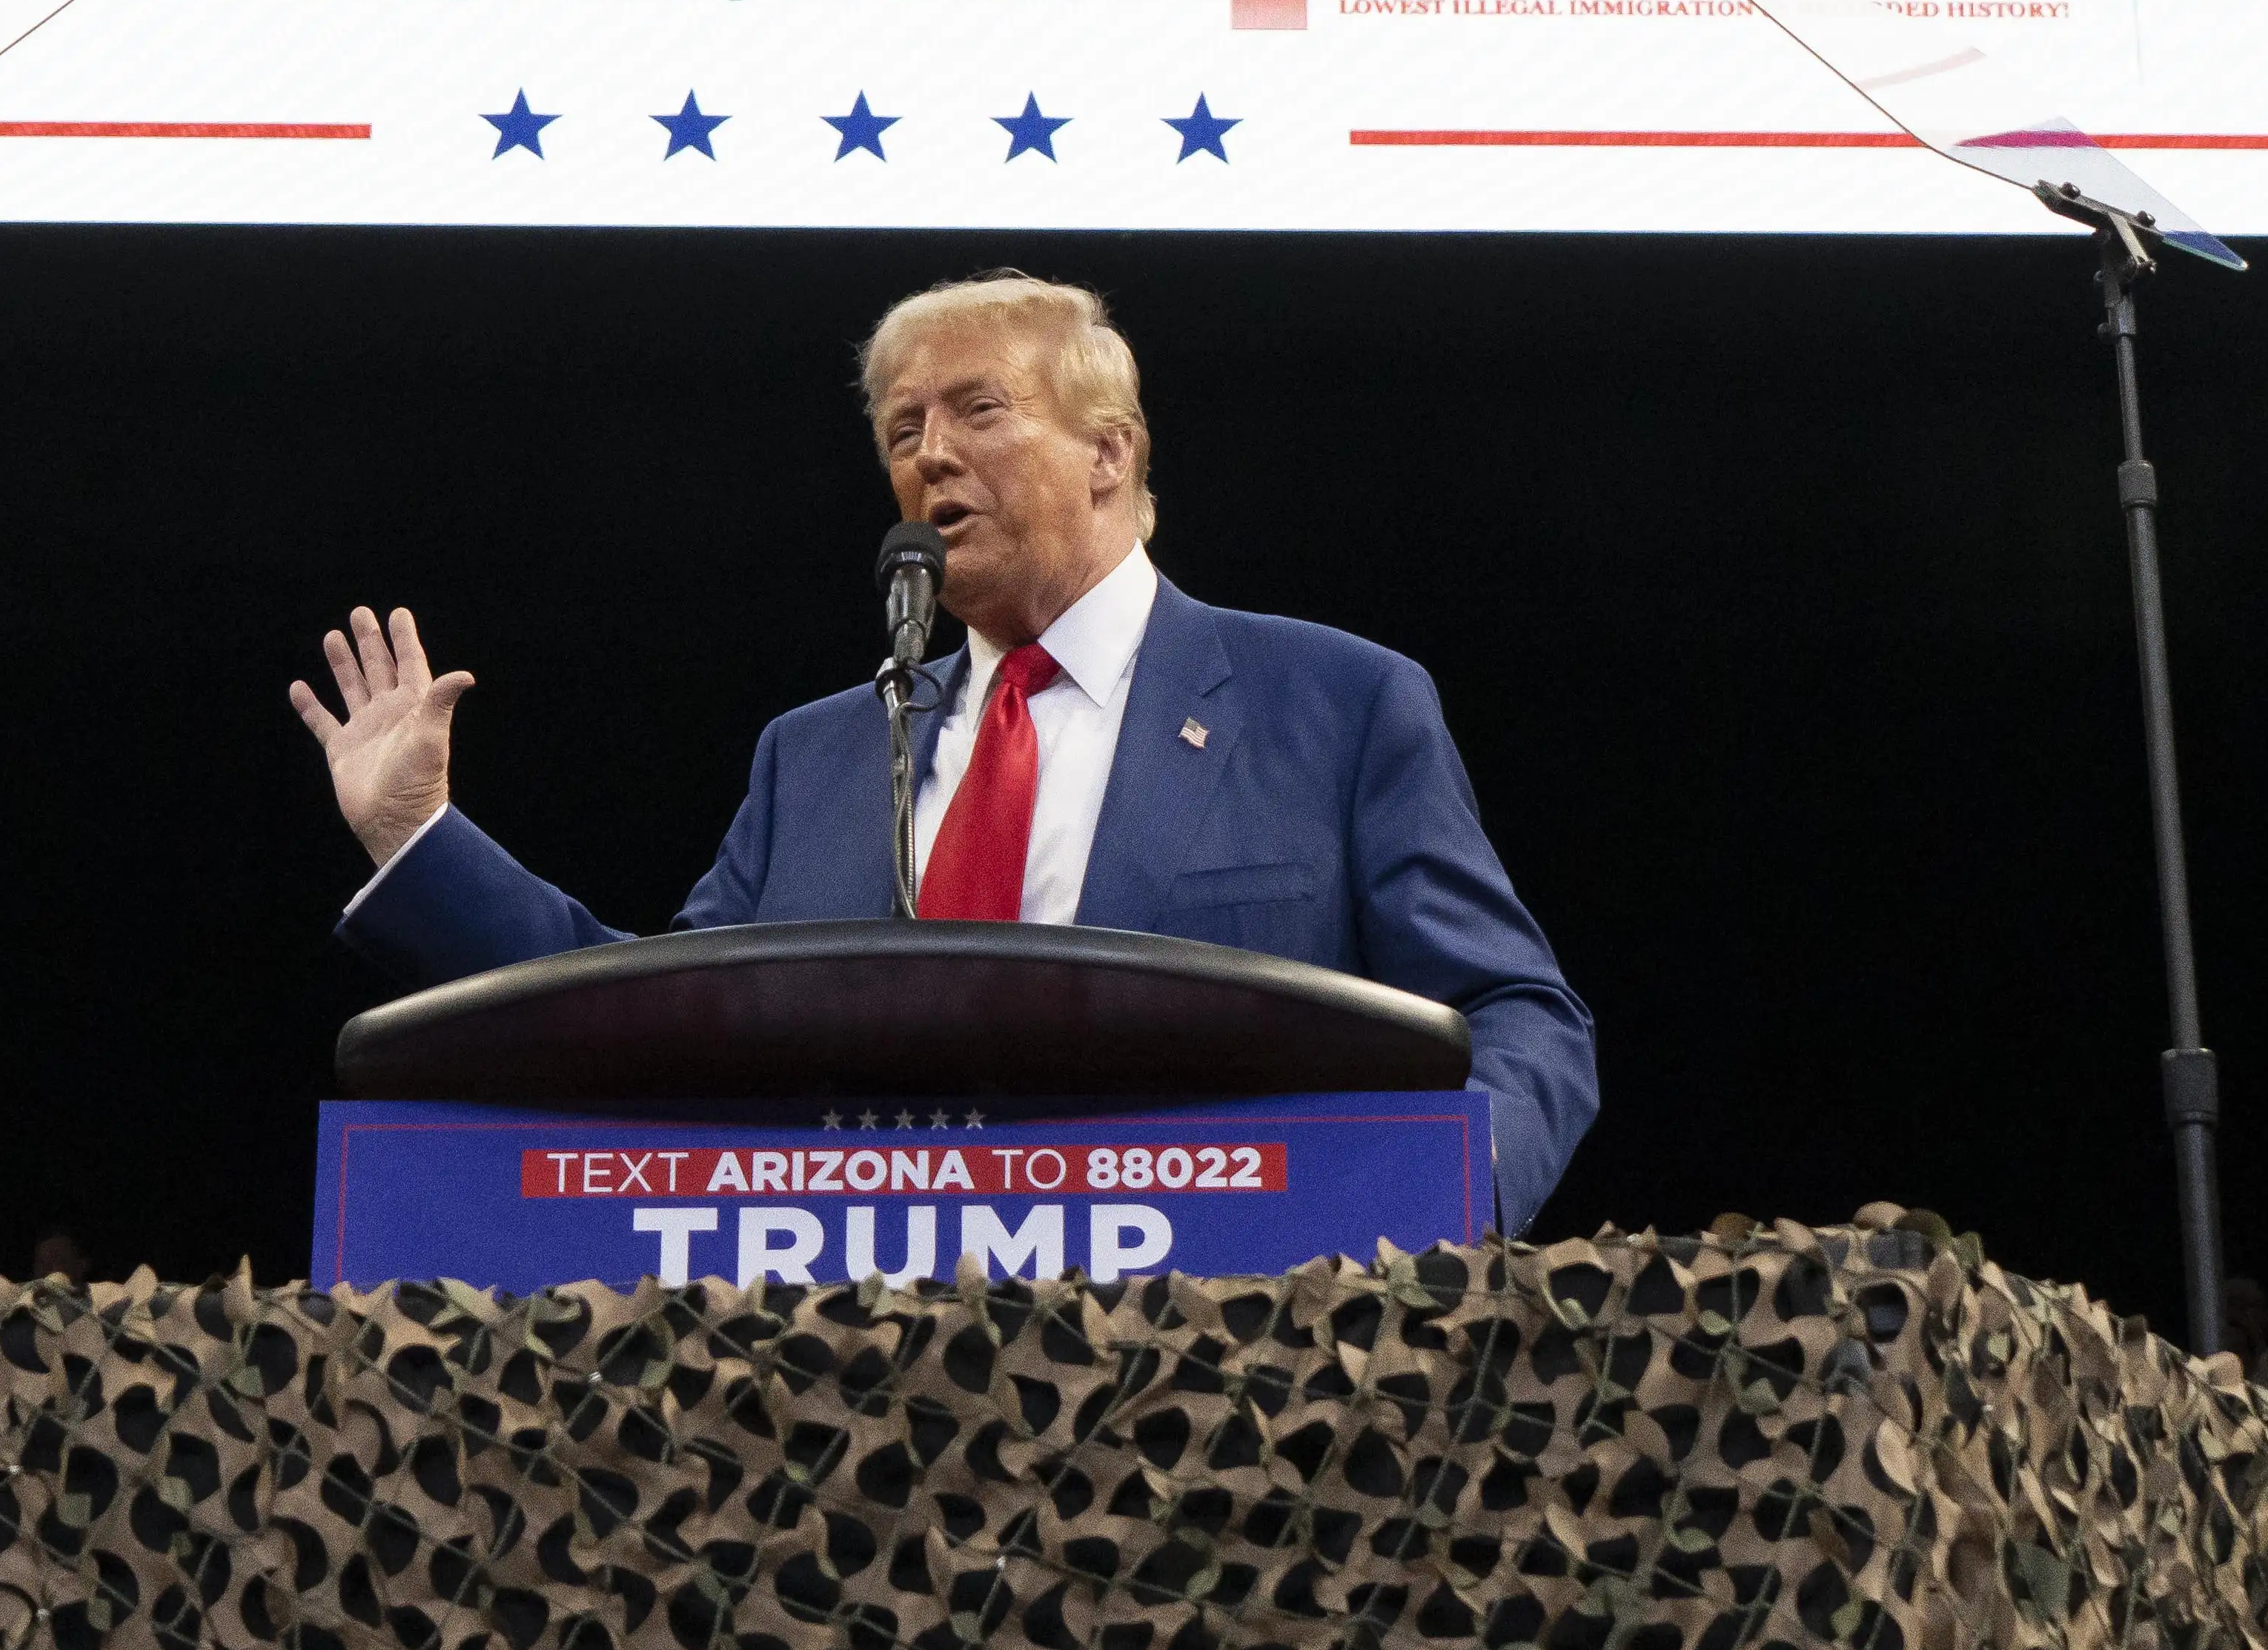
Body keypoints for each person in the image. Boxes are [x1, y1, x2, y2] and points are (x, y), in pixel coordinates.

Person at [303, 271, 1599, 1218]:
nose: (930, 455)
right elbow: (648, 1027)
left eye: (977, 410)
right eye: (901, 431)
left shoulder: (1334, 701)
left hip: (1226, 1374)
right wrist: (413, 838)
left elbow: (1518, 1013)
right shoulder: (816, 756)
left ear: (1108, 452)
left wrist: (1438, 1207)